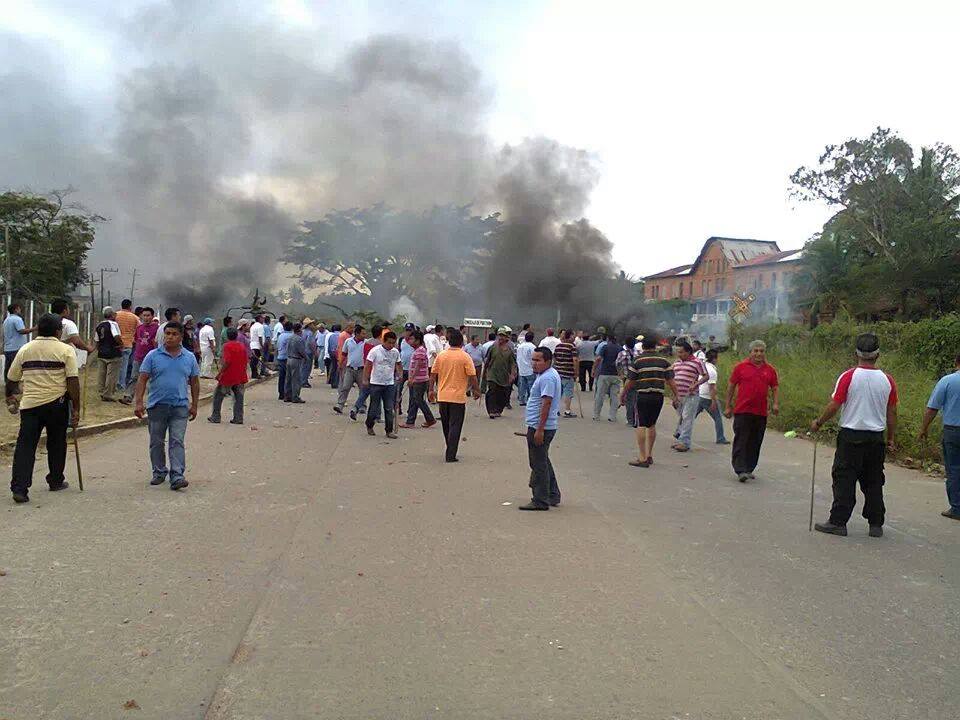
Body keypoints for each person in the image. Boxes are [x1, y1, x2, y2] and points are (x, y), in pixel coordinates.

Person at [811, 333, 897, 537]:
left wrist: (819, 422)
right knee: (874, 480)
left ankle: (838, 522)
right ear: (878, 355)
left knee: (844, 479)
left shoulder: (849, 376)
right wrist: (891, 438)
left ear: (856, 353)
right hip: (876, 438)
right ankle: (876, 524)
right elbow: (892, 412)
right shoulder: (888, 380)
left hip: (851, 436)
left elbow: (835, 404)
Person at [6, 313, 81, 504]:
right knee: (57, 443)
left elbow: (12, 378)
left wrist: (10, 395)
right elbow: (72, 380)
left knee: (25, 446)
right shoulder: (65, 350)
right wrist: (77, 408)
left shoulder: (25, 349)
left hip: (30, 405)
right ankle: (55, 480)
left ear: (38, 329)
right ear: (58, 331)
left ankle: (20, 488)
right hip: (57, 404)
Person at [133, 321, 200, 491]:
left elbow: (194, 382)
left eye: (174, 334)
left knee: (177, 441)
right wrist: (139, 402)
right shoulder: (153, 356)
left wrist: (195, 405)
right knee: (156, 441)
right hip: (157, 406)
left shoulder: (189, 357)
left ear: (181, 336)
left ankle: (177, 475)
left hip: (180, 407)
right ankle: (159, 471)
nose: (170, 337)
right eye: (167, 333)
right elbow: (142, 379)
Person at [724, 340, 779, 482]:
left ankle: (749, 468)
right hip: (743, 410)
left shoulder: (770, 370)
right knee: (742, 440)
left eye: (761, 351)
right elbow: (731, 386)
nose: (758, 354)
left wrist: (775, 404)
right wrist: (728, 406)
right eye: (756, 351)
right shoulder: (741, 367)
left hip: (760, 412)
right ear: (750, 352)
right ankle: (740, 469)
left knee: (755, 441)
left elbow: (774, 387)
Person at [619, 335, 678, 467]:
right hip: (658, 396)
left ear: (643, 347)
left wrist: (623, 394)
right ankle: (649, 455)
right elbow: (671, 381)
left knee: (640, 424)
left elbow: (630, 381)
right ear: (655, 346)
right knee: (651, 424)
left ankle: (642, 457)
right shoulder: (664, 361)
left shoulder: (638, 361)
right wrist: (676, 395)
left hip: (642, 396)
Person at [519, 347, 563, 511]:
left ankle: (540, 499)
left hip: (541, 427)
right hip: (539, 425)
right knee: (543, 460)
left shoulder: (548, 378)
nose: (534, 363)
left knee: (538, 463)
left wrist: (540, 429)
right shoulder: (545, 375)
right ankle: (552, 494)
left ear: (548, 361)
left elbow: (547, 403)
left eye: (538, 360)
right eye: (533, 360)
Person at [429, 329, 480, 462]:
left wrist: (430, 390)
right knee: (455, 425)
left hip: (443, 396)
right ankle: (451, 454)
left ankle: (449, 447)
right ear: (462, 343)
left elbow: (433, 374)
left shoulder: (441, 355)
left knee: (446, 425)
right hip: (457, 398)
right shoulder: (465, 357)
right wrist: (476, 390)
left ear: (450, 342)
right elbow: (472, 376)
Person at [920, 352, 960, 521]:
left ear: (956, 361)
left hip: (953, 431)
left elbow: (932, 408)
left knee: (954, 469)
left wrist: (924, 428)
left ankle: (957, 508)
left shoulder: (948, 381)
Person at [362, 330, 401, 437]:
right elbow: (368, 365)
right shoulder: (375, 351)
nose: (391, 345)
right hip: (376, 382)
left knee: (389, 407)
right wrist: (365, 379)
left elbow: (398, 364)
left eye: (393, 343)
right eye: (389, 342)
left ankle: (389, 430)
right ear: (384, 341)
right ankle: (369, 424)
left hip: (389, 383)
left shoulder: (395, 352)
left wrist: (400, 374)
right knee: (374, 406)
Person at [671, 341, 708, 452]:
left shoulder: (697, 362)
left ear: (688, 352)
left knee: (687, 417)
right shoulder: (677, 363)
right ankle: (680, 435)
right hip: (679, 395)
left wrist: (696, 384)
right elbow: (671, 376)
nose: (679, 354)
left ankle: (684, 442)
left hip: (691, 395)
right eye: (678, 352)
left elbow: (706, 376)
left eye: (681, 352)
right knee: (682, 416)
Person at [208, 327, 248, 424]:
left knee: (218, 395)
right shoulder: (242, 346)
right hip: (240, 374)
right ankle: (238, 417)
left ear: (227, 336)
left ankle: (216, 416)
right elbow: (246, 360)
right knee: (239, 397)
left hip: (228, 375)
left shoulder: (226, 346)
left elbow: (227, 361)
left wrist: (220, 373)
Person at [400, 330, 436, 429]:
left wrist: (412, 378)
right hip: (418, 379)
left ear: (417, 340)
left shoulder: (420, 350)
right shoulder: (418, 350)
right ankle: (410, 421)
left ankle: (430, 419)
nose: (410, 341)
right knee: (414, 400)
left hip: (419, 380)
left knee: (418, 400)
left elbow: (418, 365)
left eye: (412, 339)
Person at [481, 326, 517, 419]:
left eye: (503, 336)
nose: (501, 338)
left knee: (502, 394)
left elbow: (513, 363)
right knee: (492, 392)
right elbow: (487, 361)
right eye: (499, 335)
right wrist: (485, 372)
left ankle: (498, 410)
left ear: (507, 338)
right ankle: (491, 411)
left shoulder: (510, 349)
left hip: (504, 375)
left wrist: (512, 374)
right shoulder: (493, 347)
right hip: (492, 374)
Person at [694, 348, 729, 444]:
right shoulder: (712, 371)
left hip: (700, 394)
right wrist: (713, 401)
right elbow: (712, 387)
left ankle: (679, 432)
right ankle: (720, 438)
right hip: (707, 397)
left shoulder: (704, 366)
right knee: (718, 417)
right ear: (714, 359)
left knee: (692, 416)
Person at [94, 306, 127, 403]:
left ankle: (101, 391)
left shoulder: (99, 325)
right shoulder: (113, 324)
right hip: (113, 352)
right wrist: (121, 344)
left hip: (102, 353)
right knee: (112, 375)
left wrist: (99, 349)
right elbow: (116, 335)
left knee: (101, 373)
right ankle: (108, 394)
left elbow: (96, 340)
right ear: (112, 315)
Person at [124, 307, 158, 399]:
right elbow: (135, 340)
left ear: (152, 316)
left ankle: (152, 398)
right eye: (144, 316)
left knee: (153, 379)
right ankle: (128, 396)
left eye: (148, 315)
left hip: (151, 358)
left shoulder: (156, 328)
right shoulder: (139, 328)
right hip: (138, 357)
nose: (146, 318)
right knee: (134, 377)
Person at [334, 324, 366, 414]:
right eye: (363, 333)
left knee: (362, 389)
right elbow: (344, 353)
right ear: (357, 333)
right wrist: (340, 363)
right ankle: (340, 405)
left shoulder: (366, 343)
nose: (364, 335)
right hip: (350, 369)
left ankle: (362, 406)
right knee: (345, 387)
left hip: (361, 369)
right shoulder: (348, 341)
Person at [593, 334, 621, 422]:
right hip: (616, 374)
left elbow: (598, 359)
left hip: (604, 373)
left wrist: (594, 369)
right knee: (614, 396)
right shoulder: (620, 348)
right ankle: (612, 416)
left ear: (608, 339)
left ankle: (596, 415)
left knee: (600, 395)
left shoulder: (605, 347)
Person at [3, 303, 33, 383]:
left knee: (8, 368)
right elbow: (21, 331)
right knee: (16, 369)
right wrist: (34, 329)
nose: (20, 310)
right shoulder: (17, 319)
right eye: (19, 308)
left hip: (8, 348)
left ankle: (8, 385)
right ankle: (14, 387)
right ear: (16, 309)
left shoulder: (6, 320)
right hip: (16, 347)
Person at [553, 329, 579, 418]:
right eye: (573, 335)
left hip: (558, 372)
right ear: (570, 336)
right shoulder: (572, 346)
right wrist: (576, 372)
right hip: (568, 373)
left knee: (558, 393)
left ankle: (555, 410)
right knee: (568, 393)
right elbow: (575, 360)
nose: (575, 337)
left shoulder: (558, 346)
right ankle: (567, 411)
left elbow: (555, 359)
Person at [116, 299, 139, 390]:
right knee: (124, 366)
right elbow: (139, 329)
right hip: (128, 344)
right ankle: (121, 385)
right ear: (130, 306)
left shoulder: (115, 315)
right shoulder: (134, 317)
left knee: (115, 366)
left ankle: (114, 383)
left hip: (116, 344)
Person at [284, 322, 307, 403]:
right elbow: (301, 351)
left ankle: (287, 396)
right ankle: (295, 397)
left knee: (288, 378)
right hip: (296, 359)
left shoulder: (290, 338)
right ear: (299, 329)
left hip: (289, 358)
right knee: (296, 379)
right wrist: (306, 358)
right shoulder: (299, 339)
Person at [617, 337, 637, 426]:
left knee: (629, 399)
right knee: (636, 399)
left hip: (627, 378)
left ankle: (630, 420)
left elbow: (617, 363)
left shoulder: (622, 353)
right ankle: (637, 420)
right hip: (638, 378)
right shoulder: (639, 353)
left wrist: (620, 374)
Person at [515, 331, 536, 405]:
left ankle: (521, 400)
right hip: (530, 369)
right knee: (531, 386)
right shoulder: (532, 347)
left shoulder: (520, 346)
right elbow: (533, 358)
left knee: (522, 386)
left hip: (521, 369)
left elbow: (518, 357)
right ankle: (530, 400)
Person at [275, 321, 293, 400]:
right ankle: (287, 394)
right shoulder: (291, 336)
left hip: (280, 357)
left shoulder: (281, 336)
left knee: (281, 377)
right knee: (289, 377)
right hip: (288, 357)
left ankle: (281, 393)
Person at [248, 314, 266, 379]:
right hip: (257, 345)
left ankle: (254, 373)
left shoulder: (253, 326)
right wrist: (262, 346)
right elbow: (260, 337)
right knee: (256, 360)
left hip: (252, 345)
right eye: (262, 318)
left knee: (254, 360)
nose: (263, 319)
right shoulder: (260, 326)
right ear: (259, 318)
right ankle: (255, 374)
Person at [300, 319, 316, 387]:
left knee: (302, 367)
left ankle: (302, 380)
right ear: (309, 325)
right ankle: (304, 381)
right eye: (311, 324)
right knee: (307, 367)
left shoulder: (302, 332)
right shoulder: (310, 333)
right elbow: (311, 343)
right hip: (308, 352)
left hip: (302, 351)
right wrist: (315, 352)